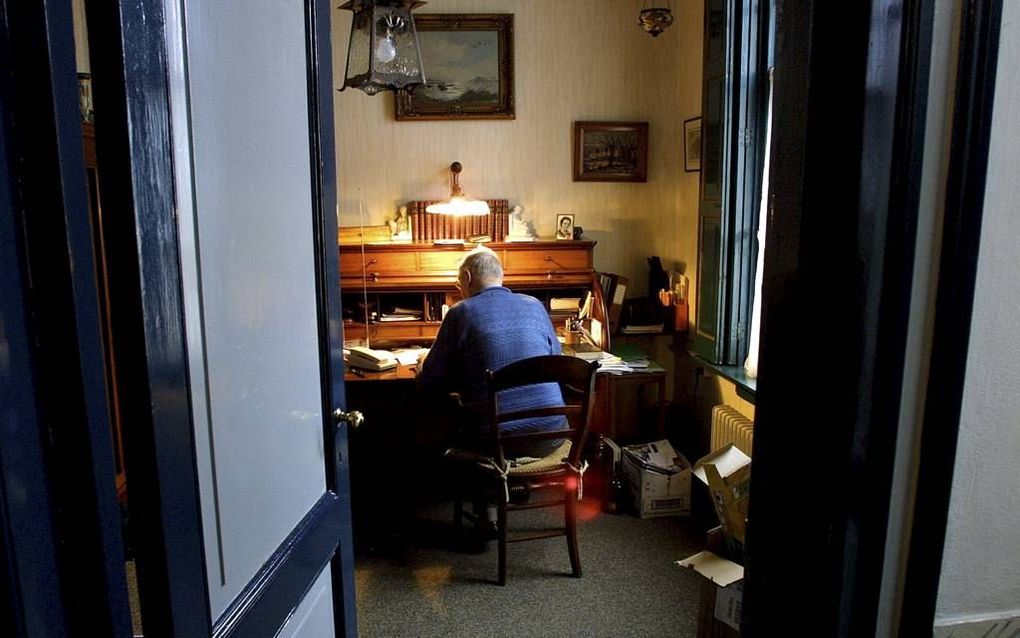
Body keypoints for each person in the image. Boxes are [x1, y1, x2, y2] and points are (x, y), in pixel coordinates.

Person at [416, 246, 565, 458]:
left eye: (459, 284)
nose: (460, 290)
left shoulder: (461, 311)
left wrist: (424, 361)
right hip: (550, 436)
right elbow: (557, 363)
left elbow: (429, 381)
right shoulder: (535, 305)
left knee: (437, 426)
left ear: (467, 277)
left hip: (494, 444)